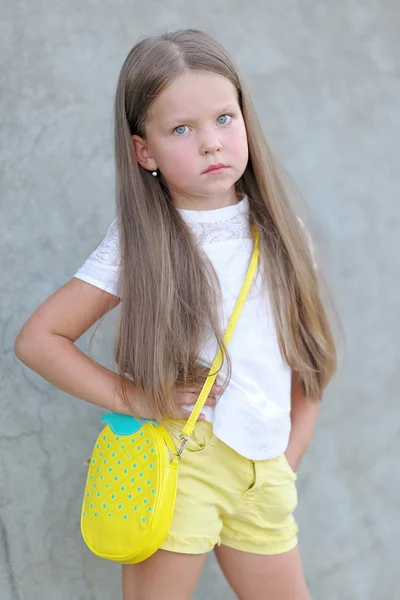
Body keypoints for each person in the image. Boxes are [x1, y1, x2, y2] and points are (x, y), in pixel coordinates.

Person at [14, 29, 337, 600]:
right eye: (182, 129)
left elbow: (309, 356)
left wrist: (287, 455)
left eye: (223, 118)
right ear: (145, 151)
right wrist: (138, 399)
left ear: (244, 118)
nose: (211, 143)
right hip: (183, 463)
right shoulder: (140, 244)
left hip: (264, 469)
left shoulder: (282, 233)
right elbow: (39, 339)